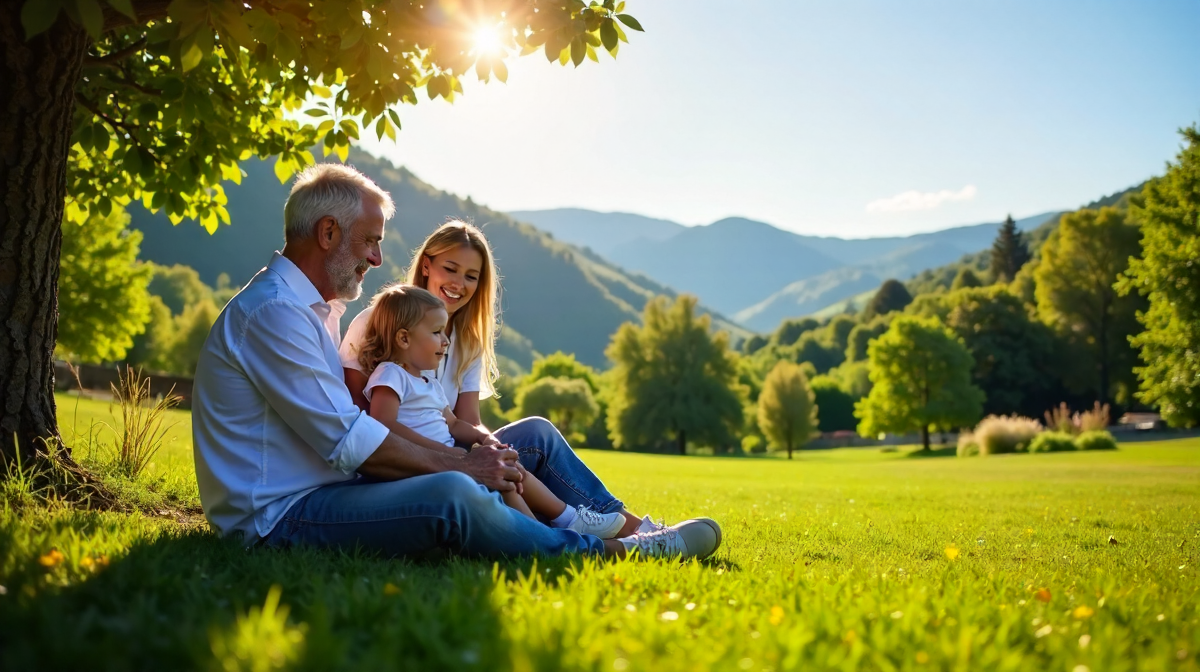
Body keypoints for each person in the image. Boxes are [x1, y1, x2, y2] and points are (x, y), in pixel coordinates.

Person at [191, 163, 721, 561]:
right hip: (281, 515)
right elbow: (355, 439)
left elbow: (383, 433)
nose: (376, 258)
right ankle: (602, 552)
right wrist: (465, 465)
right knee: (452, 493)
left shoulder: (315, 309)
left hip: (333, 486)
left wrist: (477, 452)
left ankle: (631, 527)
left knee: (525, 441)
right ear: (328, 233)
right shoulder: (276, 315)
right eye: (370, 241)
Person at [340, 221, 667, 538]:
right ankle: (582, 535)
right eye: (450, 269)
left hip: (451, 448)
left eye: (471, 276)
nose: (459, 283)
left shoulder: (467, 340)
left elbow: (466, 421)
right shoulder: (375, 322)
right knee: (506, 474)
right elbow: (364, 420)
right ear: (426, 265)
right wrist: (454, 457)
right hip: (400, 463)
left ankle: (628, 528)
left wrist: (494, 448)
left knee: (536, 434)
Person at [357, 283, 625, 538]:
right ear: (404, 338)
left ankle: (567, 519)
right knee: (505, 483)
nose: (445, 341)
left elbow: (453, 423)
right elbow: (384, 425)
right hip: (421, 467)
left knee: (509, 467)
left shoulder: (430, 384)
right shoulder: (391, 375)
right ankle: (542, 538)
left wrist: (485, 439)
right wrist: (445, 453)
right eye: (437, 332)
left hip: (451, 460)